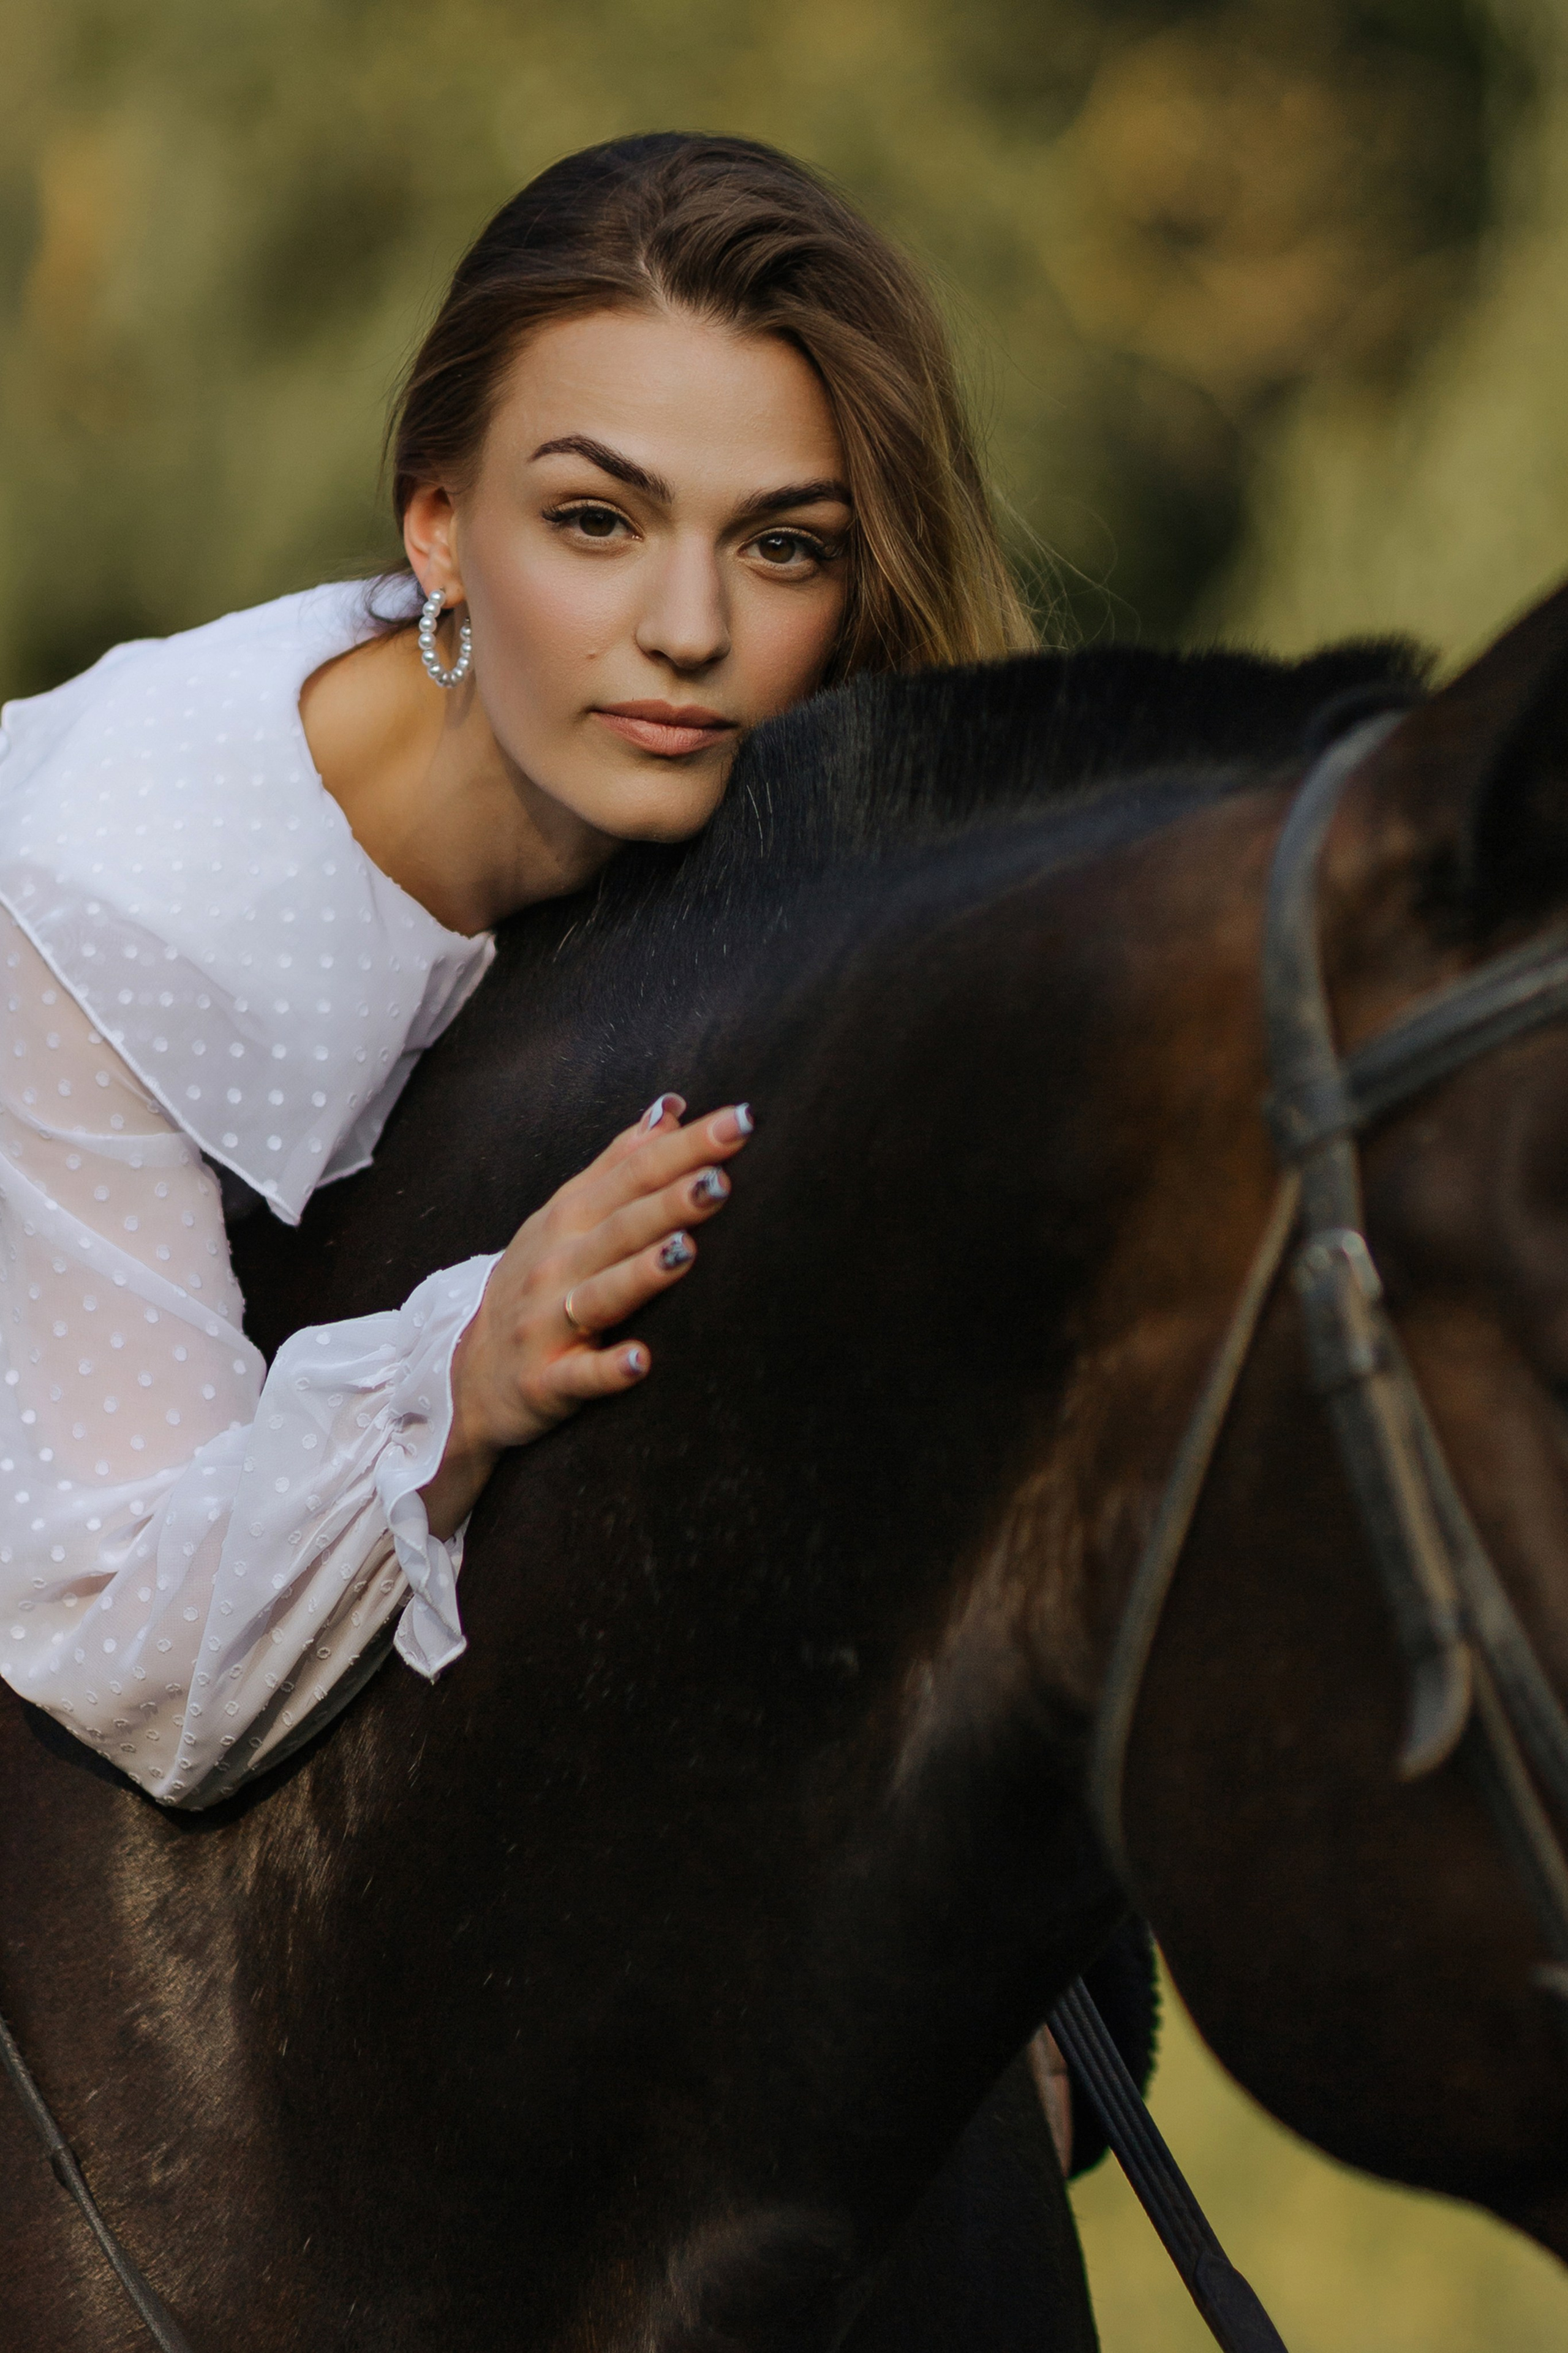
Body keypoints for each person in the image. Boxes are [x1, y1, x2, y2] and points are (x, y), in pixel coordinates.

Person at [0, 131, 1033, 1808]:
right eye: (594, 519)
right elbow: (130, 1650)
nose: (688, 626)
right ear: (439, 528)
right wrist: (465, 1367)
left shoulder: (744, 828)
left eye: (781, 546)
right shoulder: (91, 904)